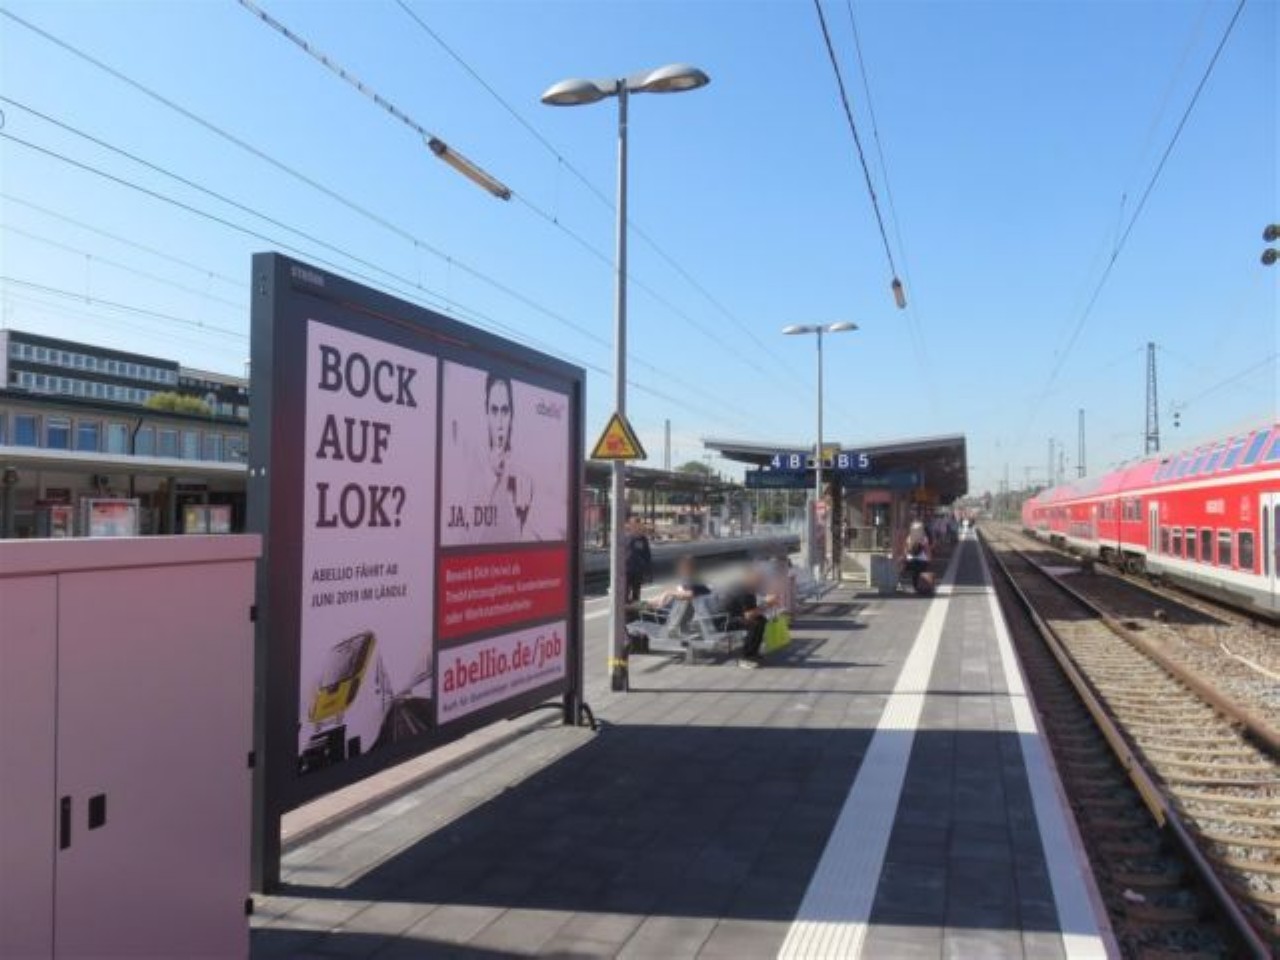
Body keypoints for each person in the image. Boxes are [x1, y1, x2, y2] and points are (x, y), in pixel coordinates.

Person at [720, 567, 774, 669]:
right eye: (757, 579)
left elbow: (753, 611)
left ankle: (752, 652)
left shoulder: (749, 589)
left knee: (761, 620)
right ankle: (744, 658)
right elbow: (749, 615)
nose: (760, 582)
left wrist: (767, 604)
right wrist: (767, 603)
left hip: (735, 617)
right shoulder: (742, 591)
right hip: (725, 621)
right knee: (754, 623)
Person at [624, 517, 652, 604]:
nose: (635, 527)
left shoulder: (643, 539)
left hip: (638, 570)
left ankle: (634, 610)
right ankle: (625, 610)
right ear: (630, 526)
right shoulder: (625, 537)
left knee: (636, 593)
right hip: (626, 570)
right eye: (633, 525)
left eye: (637, 525)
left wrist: (647, 570)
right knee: (625, 593)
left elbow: (647, 555)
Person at [903, 520, 931, 590]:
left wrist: (905, 557)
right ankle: (921, 586)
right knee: (921, 573)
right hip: (922, 560)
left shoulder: (909, 537)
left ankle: (915, 586)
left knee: (914, 573)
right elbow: (927, 549)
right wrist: (929, 558)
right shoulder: (924, 538)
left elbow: (906, 549)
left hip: (911, 560)